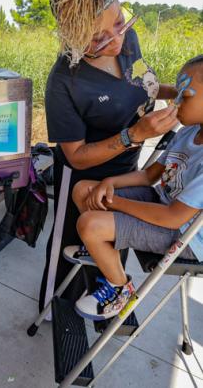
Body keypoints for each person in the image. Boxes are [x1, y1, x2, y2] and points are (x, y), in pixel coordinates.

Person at [34, 0, 180, 311]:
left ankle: (113, 295)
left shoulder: (126, 39)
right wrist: (134, 135)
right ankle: (58, 307)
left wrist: (179, 94)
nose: (117, 41)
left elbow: (138, 84)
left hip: (128, 168)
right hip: (83, 174)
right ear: (74, 38)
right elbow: (78, 157)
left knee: (114, 234)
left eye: (119, 23)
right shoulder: (63, 83)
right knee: (70, 243)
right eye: (100, 39)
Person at [64, 56, 203, 320]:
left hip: (184, 236)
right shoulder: (188, 133)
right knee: (83, 189)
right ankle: (101, 253)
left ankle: (120, 289)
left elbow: (172, 218)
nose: (175, 102)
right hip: (160, 199)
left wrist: (114, 201)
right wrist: (109, 183)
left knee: (89, 225)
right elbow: (149, 176)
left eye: (186, 98)